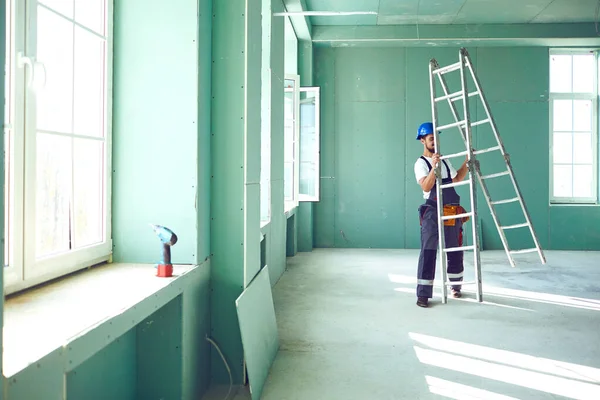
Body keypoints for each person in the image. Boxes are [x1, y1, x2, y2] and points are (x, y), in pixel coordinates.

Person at [414, 122, 470, 308]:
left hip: (451, 210)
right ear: (422, 140)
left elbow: (456, 179)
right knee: (429, 250)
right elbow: (426, 186)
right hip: (432, 211)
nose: (434, 141)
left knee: (454, 248)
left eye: (436, 138)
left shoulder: (445, 160)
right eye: (430, 139)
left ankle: (455, 286)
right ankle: (423, 294)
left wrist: (467, 163)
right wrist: (434, 167)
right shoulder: (420, 164)